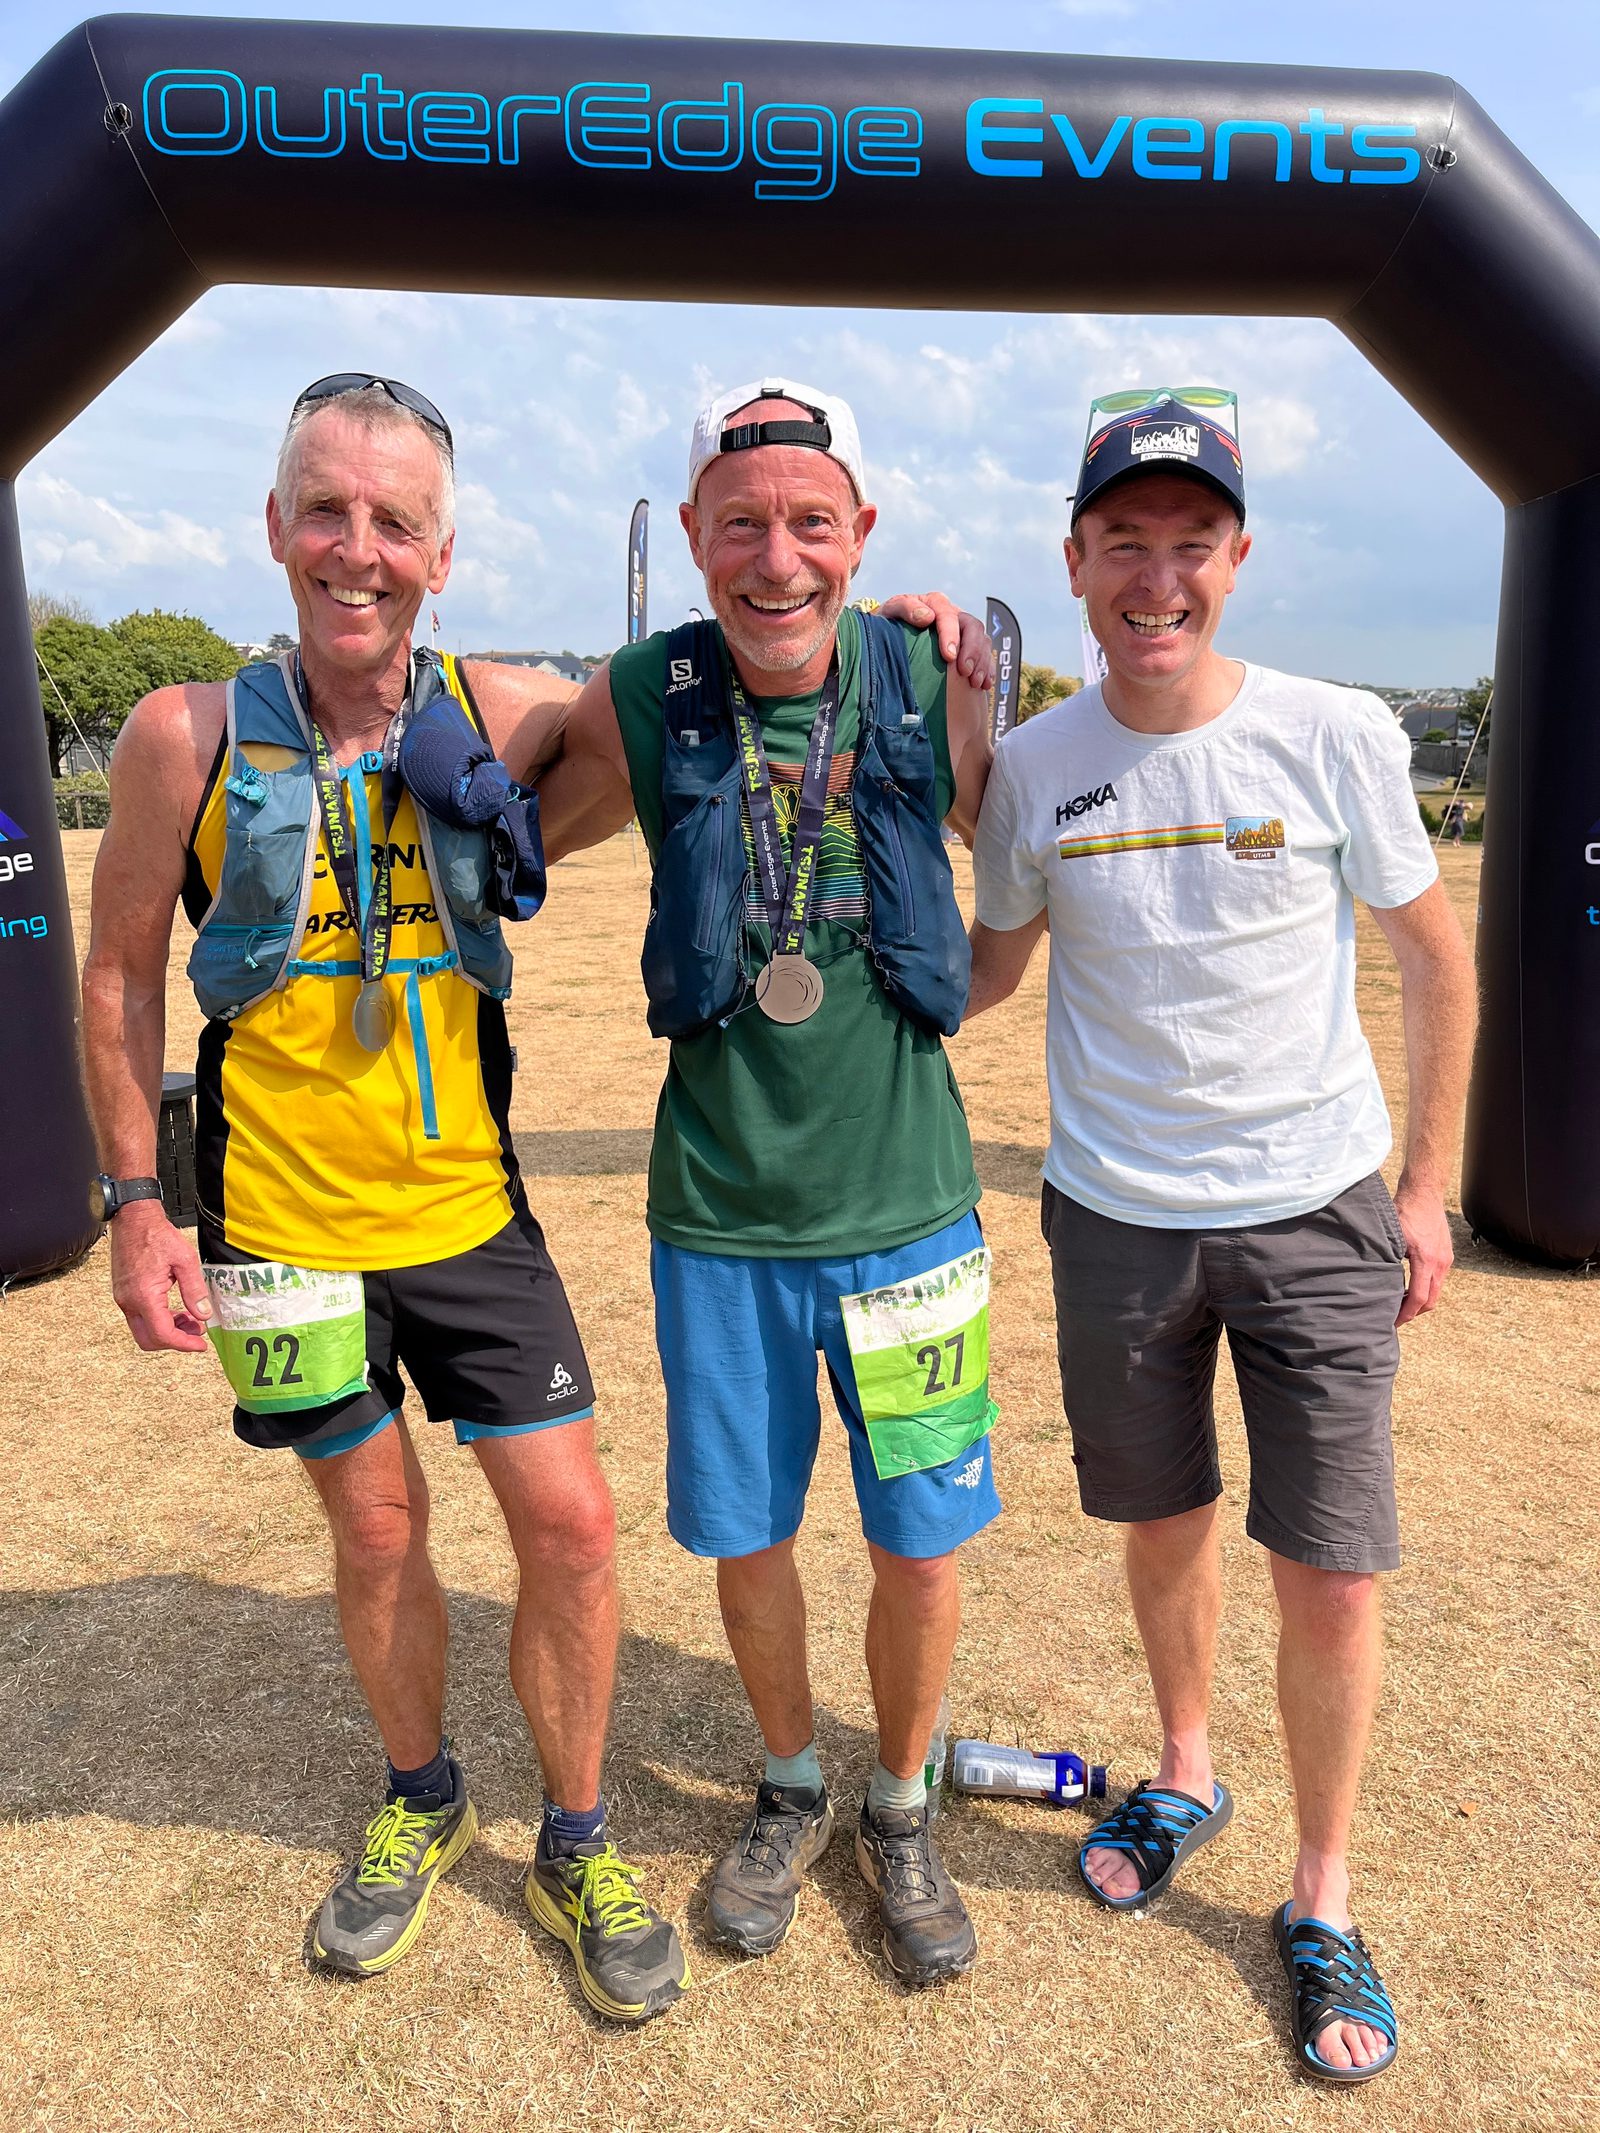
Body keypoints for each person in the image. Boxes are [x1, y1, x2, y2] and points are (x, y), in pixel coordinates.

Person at [80, 374, 694, 2022]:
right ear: (275, 527)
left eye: (396, 519)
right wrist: (138, 1199)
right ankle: (424, 1795)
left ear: (445, 546)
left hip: (469, 1213)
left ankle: (575, 1834)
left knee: (566, 1525)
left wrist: (914, 618)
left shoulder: (494, 709)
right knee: (375, 1528)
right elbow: (123, 966)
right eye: (326, 509)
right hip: (278, 1231)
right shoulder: (181, 734)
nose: (359, 547)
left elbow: (654, 713)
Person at [966, 391, 1476, 2081]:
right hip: (1116, 1216)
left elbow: (1436, 960)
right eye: (1127, 543)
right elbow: (991, 968)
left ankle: (1321, 1888)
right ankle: (1186, 1763)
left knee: (1329, 1564)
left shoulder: (1333, 733)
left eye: (1192, 544)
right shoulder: (1038, 763)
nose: (1157, 576)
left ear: (1237, 562)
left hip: (1316, 1205)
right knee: (1165, 1522)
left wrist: (1425, 1189)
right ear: (1078, 558)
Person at [536, 378, 998, 1989]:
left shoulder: (941, 672)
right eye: (742, 523)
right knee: (748, 1534)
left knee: (921, 1545)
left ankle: (899, 1797)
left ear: (863, 534)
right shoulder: (646, 688)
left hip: (914, 1220)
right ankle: (793, 1778)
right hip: (719, 1225)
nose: (778, 556)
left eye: (813, 521)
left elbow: (1021, 852)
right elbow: (522, 780)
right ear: (693, 538)